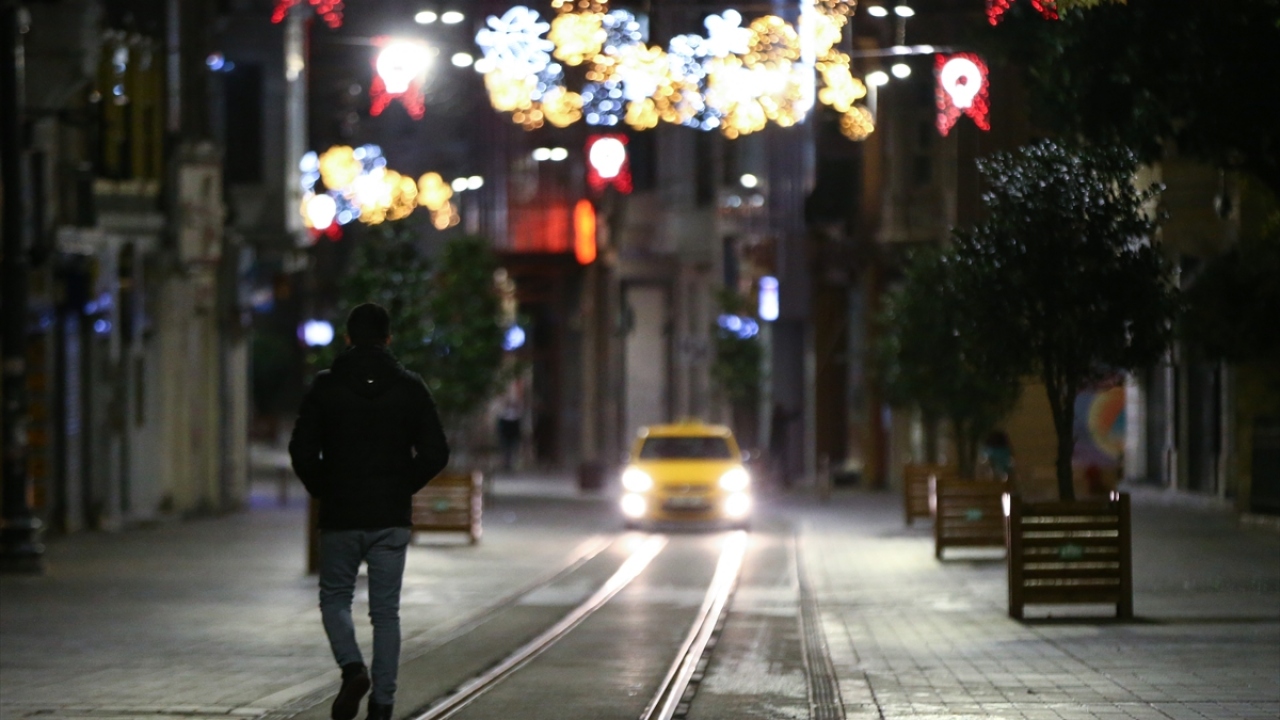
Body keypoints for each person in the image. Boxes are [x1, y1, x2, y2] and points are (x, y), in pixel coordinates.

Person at [290, 303, 449, 720]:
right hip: (389, 518)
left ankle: (352, 668)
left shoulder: (324, 387)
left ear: (347, 338)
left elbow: (301, 450)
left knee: (335, 599)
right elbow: (436, 451)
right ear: (388, 339)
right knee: (385, 613)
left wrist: (325, 487)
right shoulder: (410, 387)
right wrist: (401, 485)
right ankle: (383, 706)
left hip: (341, 513)